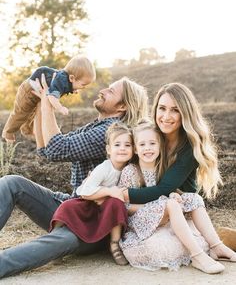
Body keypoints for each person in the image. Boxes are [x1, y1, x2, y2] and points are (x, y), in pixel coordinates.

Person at [0, 76, 148, 279]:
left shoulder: (108, 133)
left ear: (122, 106)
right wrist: (43, 103)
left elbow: (58, 148)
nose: (102, 91)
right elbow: (47, 150)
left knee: (59, 240)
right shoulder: (96, 126)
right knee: (12, 183)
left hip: (96, 221)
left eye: (111, 91)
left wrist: (49, 100)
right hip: (74, 204)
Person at [115, 83, 236, 272]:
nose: (166, 116)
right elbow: (121, 153)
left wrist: (124, 194)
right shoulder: (152, 137)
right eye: (162, 108)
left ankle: (216, 246)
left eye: (175, 110)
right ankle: (199, 255)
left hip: (176, 206)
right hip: (153, 208)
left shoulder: (189, 147)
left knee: (191, 202)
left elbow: (164, 189)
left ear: (185, 113)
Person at [118, 120, 223, 273]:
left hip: (161, 215)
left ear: (160, 146)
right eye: (142, 145)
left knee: (194, 199)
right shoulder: (131, 171)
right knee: (170, 205)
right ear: (135, 149)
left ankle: (216, 246)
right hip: (138, 220)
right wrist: (160, 206)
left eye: (152, 143)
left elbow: (166, 192)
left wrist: (173, 195)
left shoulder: (163, 167)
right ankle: (198, 256)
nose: (148, 148)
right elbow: (123, 207)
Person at [51, 122, 134, 266]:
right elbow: (84, 191)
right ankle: (55, 243)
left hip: (108, 208)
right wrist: (108, 191)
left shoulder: (131, 169)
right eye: (117, 145)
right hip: (90, 203)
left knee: (116, 204)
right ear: (108, 149)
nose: (122, 149)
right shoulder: (104, 168)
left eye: (127, 145)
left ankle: (115, 245)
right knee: (67, 206)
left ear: (133, 149)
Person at [2, 55, 96, 143]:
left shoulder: (66, 80)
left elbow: (65, 88)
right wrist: (60, 107)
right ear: (72, 78)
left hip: (35, 92)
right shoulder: (61, 81)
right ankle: (8, 132)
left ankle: (27, 130)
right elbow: (52, 97)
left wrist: (73, 89)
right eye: (83, 85)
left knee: (31, 113)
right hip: (28, 91)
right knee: (21, 112)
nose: (83, 87)